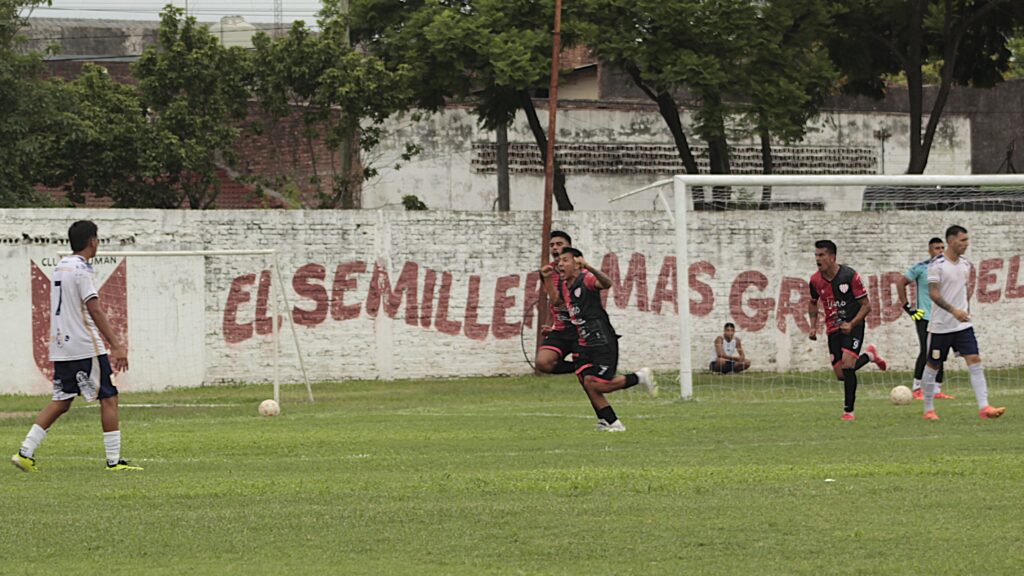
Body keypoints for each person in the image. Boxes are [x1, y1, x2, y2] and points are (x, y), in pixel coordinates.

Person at [11, 220, 143, 472]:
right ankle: (114, 461)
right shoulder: (82, 269)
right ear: (92, 241)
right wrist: (116, 344)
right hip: (84, 345)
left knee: (62, 401)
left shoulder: (60, 267)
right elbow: (94, 307)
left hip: (61, 346)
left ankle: (24, 452)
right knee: (109, 397)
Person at [542, 248, 656, 432]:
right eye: (559, 261)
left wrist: (589, 267)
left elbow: (606, 283)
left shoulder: (586, 279)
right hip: (583, 342)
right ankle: (613, 423)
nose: (560, 264)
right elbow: (556, 302)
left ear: (577, 263)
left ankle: (640, 377)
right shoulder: (565, 284)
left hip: (602, 341)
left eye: (565, 260)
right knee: (587, 382)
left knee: (599, 385)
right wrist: (547, 278)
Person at [920, 225, 1005, 421]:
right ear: (951, 241)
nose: (966, 244)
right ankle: (928, 409)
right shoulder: (937, 265)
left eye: (967, 240)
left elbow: (962, 291)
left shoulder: (966, 265)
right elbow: (934, 293)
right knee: (933, 365)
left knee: (974, 359)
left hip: (962, 326)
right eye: (963, 240)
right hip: (941, 326)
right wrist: (954, 311)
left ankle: (984, 407)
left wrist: (965, 310)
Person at [807, 240, 888, 421]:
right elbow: (812, 303)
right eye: (816, 255)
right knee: (841, 375)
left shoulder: (849, 276)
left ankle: (848, 412)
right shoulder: (815, 280)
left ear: (832, 257)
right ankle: (870, 356)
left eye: (821, 255)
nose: (817, 259)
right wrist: (813, 326)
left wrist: (852, 324)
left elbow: (866, 306)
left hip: (853, 326)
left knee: (848, 365)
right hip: (832, 329)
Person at [897, 237, 951, 400]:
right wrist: (908, 308)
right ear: (929, 250)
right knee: (926, 351)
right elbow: (901, 283)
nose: (940, 251)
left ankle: (937, 389)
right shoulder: (921, 268)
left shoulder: (948, 269)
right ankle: (917, 387)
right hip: (925, 317)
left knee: (940, 352)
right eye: (936, 248)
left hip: (942, 316)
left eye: (942, 248)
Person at [534, 231, 577, 375]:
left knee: (592, 380)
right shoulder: (548, 271)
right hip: (560, 329)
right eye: (552, 245)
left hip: (579, 327)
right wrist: (549, 324)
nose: (555, 248)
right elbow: (552, 301)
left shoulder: (579, 269)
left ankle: (586, 366)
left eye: (559, 244)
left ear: (569, 247)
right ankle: (579, 367)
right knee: (543, 362)